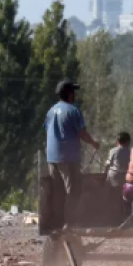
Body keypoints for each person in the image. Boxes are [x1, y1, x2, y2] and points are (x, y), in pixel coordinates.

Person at [44, 79, 100, 230]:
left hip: (52, 158)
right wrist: (94, 143)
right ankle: (69, 223)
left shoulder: (50, 111)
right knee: (73, 189)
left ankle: (56, 222)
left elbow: (48, 130)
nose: (74, 95)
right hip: (67, 158)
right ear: (69, 94)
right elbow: (82, 133)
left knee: (58, 191)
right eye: (73, 92)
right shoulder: (73, 111)